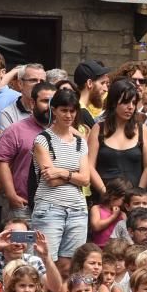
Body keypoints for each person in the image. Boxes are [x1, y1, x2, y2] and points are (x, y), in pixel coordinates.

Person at [30, 88, 91, 277]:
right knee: (43, 265)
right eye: (64, 110)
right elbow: (51, 179)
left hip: (78, 209)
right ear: (54, 110)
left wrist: (62, 172)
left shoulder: (81, 142)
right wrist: (73, 176)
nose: (69, 115)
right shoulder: (43, 139)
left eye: (72, 111)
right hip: (49, 207)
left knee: (69, 267)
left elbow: (86, 179)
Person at [0, 82, 56, 220]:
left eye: (53, 102)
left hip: (55, 205)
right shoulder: (15, 130)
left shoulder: (64, 132)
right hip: (23, 205)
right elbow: (2, 163)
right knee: (22, 242)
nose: (49, 107)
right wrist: (11, 195)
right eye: (45, 101)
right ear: (33, 103)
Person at [88, 78, 147, 194]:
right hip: (104, 200)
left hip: (134, 202)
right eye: (125, 102)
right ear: (113, 102)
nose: (131, 107)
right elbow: (90, 166)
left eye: (134, 102)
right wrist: (105, 194)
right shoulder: (98, 129)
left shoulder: (142, 129)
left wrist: (138, 195)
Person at [0, 63, 46, 129]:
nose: (38, 84)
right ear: (20, 84)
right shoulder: (8, 114)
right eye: (33, 80)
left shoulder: (52, 110)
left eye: (42, 81)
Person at [73, 60, 110, 124]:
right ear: (89, 83)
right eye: (102, 83)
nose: (106, 89)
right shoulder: (82, 113)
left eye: (107, 84)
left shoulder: (79, 109)